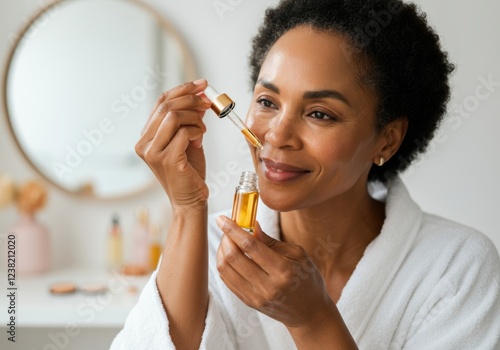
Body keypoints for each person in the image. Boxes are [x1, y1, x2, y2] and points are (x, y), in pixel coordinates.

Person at [111, 0, 500, 349]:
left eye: (319, 114)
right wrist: (186, 207)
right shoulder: (210, 245)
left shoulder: (456, 266)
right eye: (267, 101)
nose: (276, 135)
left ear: (387, 139)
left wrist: (312, 321)